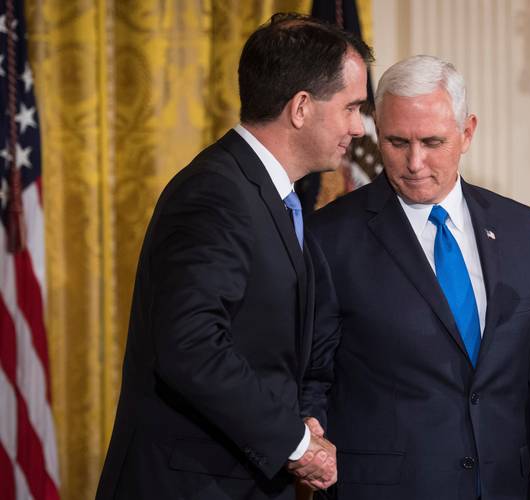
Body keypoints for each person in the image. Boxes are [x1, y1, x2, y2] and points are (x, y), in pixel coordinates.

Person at [96, 13, 371, 500]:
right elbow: (190, 345)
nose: (359, 126)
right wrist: (296, 443)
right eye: (351, 107)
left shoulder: (265, 194)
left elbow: (272, 348)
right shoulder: (216, 193)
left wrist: (301, 418)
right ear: (302, 107)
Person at [302, 55, 530, 500]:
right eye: (397, 141)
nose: (414, 162)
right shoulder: (329, 237)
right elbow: (310, 380)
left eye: (432, 141)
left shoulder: (523, 230)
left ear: (467, 131)